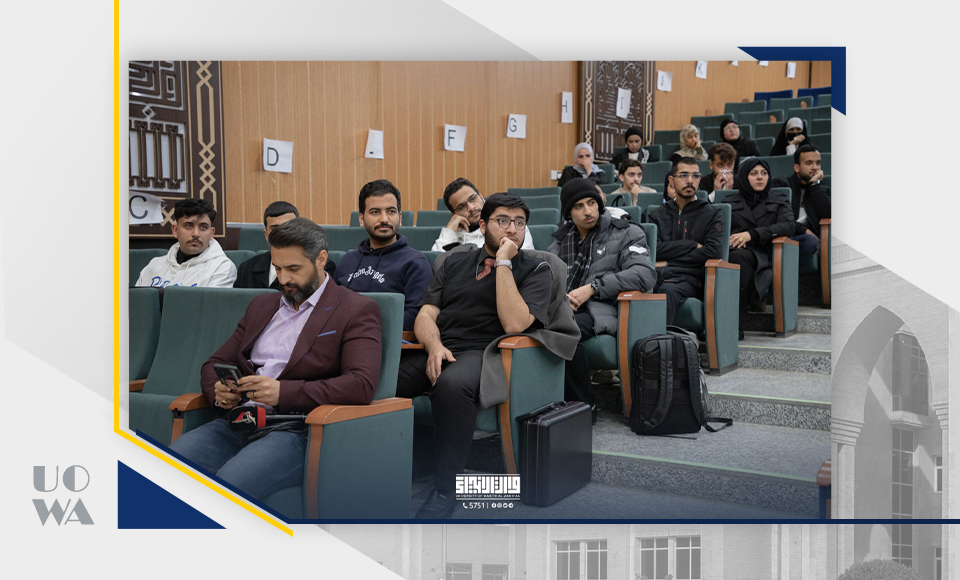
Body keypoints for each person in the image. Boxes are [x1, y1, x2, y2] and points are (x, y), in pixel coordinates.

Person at [168, 218, 383, 499]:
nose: (283, 280)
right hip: (240, 419)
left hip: (295, 428)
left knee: (227, 486)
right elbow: (213, 363)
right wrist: (220, 392)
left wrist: (283, 392)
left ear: (321, 259)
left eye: (293, 269)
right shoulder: (262, 305)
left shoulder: (355, 309)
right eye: (278, 268)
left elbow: (360, 384)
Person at [398, 193, 554, 519]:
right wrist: (434, 346)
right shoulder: (452, 262)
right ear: (482, 226)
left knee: (451, 384)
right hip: (442, 346)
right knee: (382, 378)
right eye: (502, 221)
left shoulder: (537, 269)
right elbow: (426, 314)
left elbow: (514, 325)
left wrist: (504, 263)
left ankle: (446, 489)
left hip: (487, 351)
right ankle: (391, 465)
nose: (512, 229)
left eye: (520, 223)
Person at [548, 178, 656, 415]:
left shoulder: (626, 232)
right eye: (578, 207)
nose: (587, 211)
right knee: (535, 328)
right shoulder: (559, 243)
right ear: (569, 214)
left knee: (562, 330)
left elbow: (645, 274)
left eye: (591, 203)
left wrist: (593, 288)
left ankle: (585, 406)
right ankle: (552, 403)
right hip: (567, 308)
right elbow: (547, 281)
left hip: (605, 309)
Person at [334, 179, 432, 331]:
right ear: (361, 219)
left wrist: (362, 325)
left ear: (400, 217)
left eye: (391, 211)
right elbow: (332, 308)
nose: (384, 219)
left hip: (391, 342)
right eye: (375, 212)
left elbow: (416, 317)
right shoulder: (347, 262)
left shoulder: (415, 263)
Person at [648, 158, 725, 324]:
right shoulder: (657, 214)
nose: (690, 180)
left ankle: (658, 341)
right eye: (683, 175)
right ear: (671, 180)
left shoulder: (711, 213)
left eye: (695, 176)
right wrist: (691, 245)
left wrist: (667, 262)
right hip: (657, 275)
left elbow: (713, 251)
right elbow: (653, 249)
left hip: (690, 279)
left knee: (667, 291)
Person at [725, 159, 795, 338]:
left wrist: (752, 234)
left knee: (738, 259)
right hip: (733, 251)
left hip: (764, 255)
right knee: (730, 259)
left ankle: (734, 326)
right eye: (754, 173)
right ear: (744, 177)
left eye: (764, 173)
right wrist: (730, 240)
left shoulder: (779, 200)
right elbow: (717, 228)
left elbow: (788, 226)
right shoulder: (729, 202)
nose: (760, 177)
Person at [135, 198, 237, 288]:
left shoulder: (221, 267)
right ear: (175, 230)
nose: (196, 234)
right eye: (188, 226)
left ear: (211, 233)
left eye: (203, 227)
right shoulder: (154, 265)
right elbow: (138, 301)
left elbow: (210, 304)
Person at [431, 178, 534, 251]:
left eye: (473, 199)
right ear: (454, 214)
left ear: (481, 196)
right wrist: (450, 229)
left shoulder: (510, 224)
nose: (471, 207)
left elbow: (525, 259)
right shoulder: (453, 236)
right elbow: (437, 262)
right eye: (462, 207)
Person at [771, 145, 831, 263]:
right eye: (809, 163)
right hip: (783, 234)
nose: (815, 167)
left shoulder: (822, 190)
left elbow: (828, 215)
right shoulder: (781, 184)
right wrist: (804, 230)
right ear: (797, 168)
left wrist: (815, 186)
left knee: (810, 241)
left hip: (805, 240)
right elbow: (776, 217)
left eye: (818, 163)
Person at [234, 201, 303, 289]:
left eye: (287, 228)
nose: (281, 234)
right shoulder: (247, 269)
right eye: (275, 229)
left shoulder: (310, 268)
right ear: (266, 234)